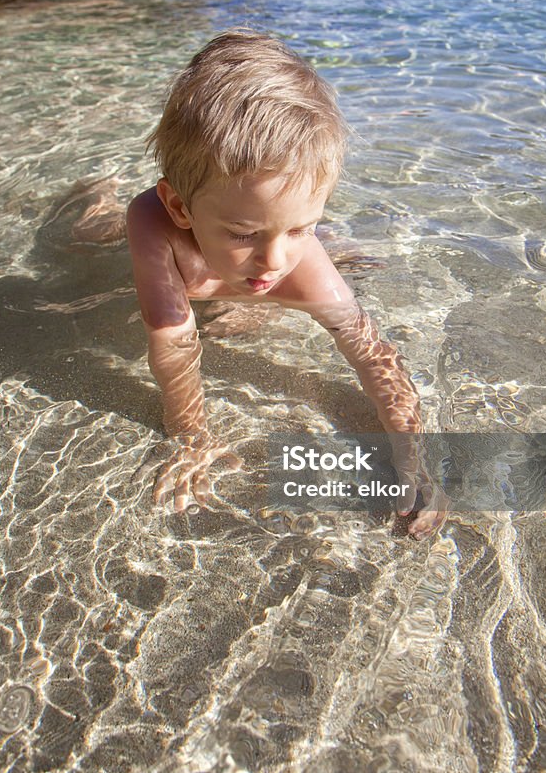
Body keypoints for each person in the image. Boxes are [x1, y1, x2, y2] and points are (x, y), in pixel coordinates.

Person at [126, 29, 447, 539]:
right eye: (244, 233)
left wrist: (414, 461)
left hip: (238, 279)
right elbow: (172, 342)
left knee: (330, 285)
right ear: (179, 208)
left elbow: (372, 355)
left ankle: (329, 244)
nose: (275, 259)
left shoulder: (300, 266)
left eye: (301, 227)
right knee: (90, 229)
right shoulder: (151, 222)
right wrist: (191, 440)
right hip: (196, 275)